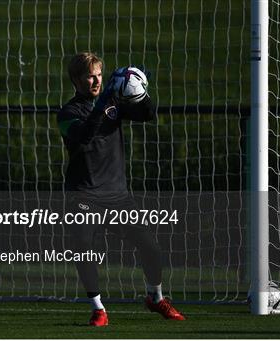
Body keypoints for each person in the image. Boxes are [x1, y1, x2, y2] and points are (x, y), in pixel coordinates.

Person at [57, 52, 185, 326]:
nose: (96, 80)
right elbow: (86, 135)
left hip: (117, 195)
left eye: (99, 75)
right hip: (84, 196)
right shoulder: (67, 113)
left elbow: (148, 114)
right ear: (76, 80)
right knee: (83, 247)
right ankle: (98, 308)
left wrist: (138, 89)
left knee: (150, 247)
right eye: (90, 75)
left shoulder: (115, 104)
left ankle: (156, 297)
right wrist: (106, 100)